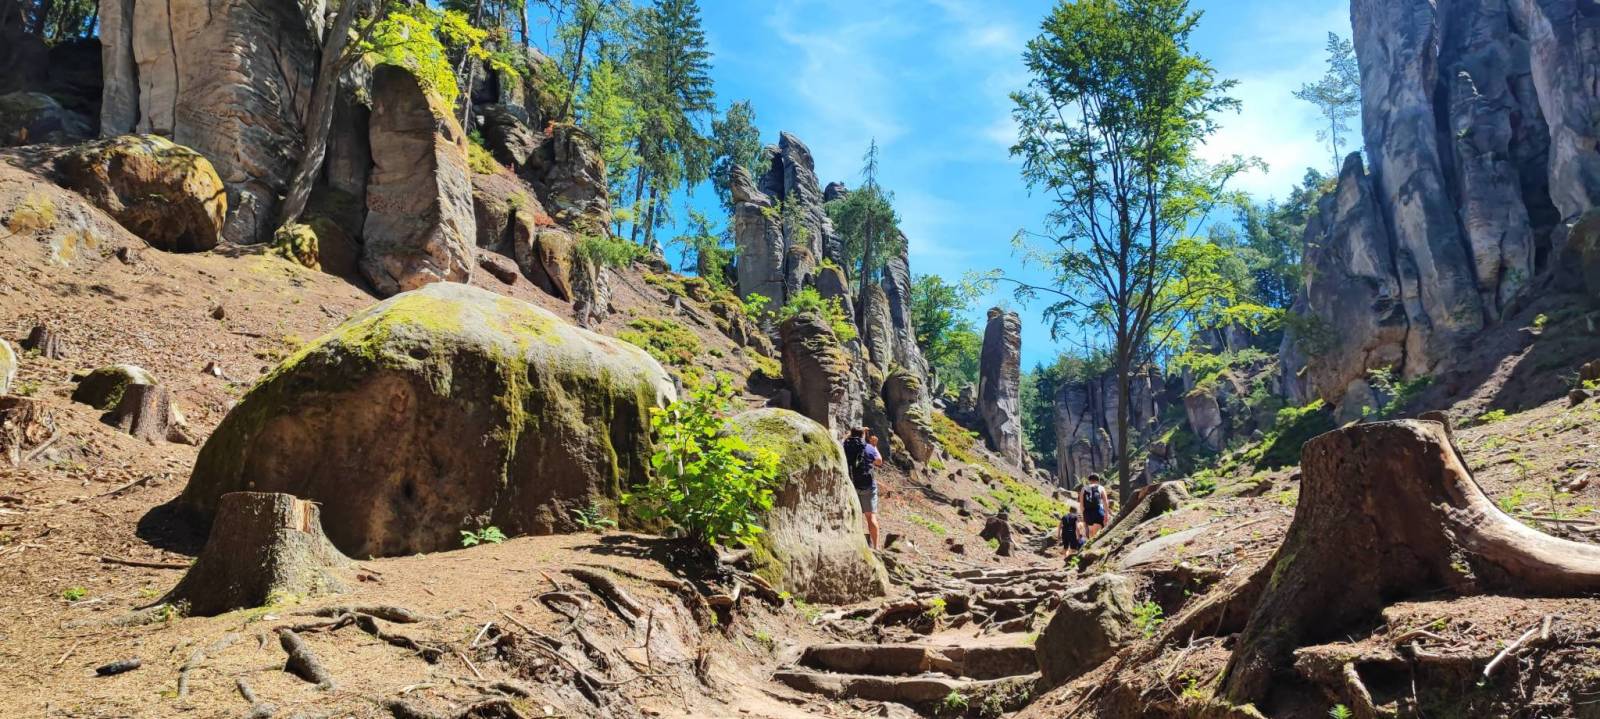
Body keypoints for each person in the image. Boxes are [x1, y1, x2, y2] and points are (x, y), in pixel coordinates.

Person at [843, 427, 884, 548]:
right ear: (863, 436)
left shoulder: (844, 446)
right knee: (870, 517)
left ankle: (855, 545)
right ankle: (876, 547)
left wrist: (848, 436)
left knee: (854, 516)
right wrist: (874, 446)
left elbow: (843, 440)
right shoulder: (869, 447)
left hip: (851, 485)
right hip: (868, 486)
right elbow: (879, 461)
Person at [1079, 474, 1109, 539]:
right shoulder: (1101, 487)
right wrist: (1107, 513)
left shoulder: (1083, 489)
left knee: (1091, 534)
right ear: (1098, 480)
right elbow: (1105, 502)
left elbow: (1081, 504)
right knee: (1102, 532)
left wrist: (1084, 516)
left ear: (1089, 480)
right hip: (1098, 512)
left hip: (1087, 513)